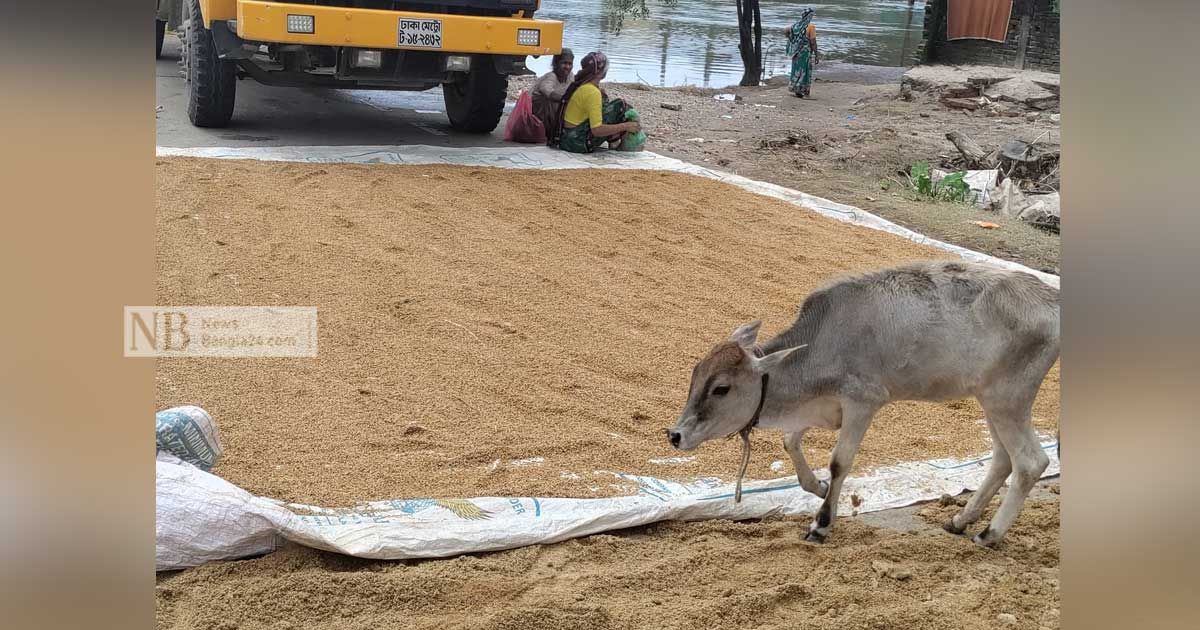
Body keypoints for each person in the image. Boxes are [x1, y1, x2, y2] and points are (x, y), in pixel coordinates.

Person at [552, 52, 640, 153]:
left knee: (607, 103)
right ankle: (620, 143)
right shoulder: (592, 92)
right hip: (577, 142)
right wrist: (626, 126)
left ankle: (614, 141)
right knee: (621, 106)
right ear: (600, 72)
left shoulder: (582, 85)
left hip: (566, 138)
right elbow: (596, 130)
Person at [532, 48, 574, 135]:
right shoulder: (551, 76)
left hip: (549, 115)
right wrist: (566, 100)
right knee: (553, 101)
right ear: (556, 64)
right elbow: (547, 92)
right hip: (536, 114)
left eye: (570, 64)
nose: (567, 67)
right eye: (564, 63)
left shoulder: (570, 76)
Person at [786, 8, 820, 98]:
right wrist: (816, 54)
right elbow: (813, 42)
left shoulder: (795, 26)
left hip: (795, 53)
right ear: (809, 16)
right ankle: (804, 91)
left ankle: (796, 89)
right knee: (805, 70)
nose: (812, 18)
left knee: (796, 70)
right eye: (811, 16)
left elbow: (787, 32)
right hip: (805, 53)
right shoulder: (811, 27)